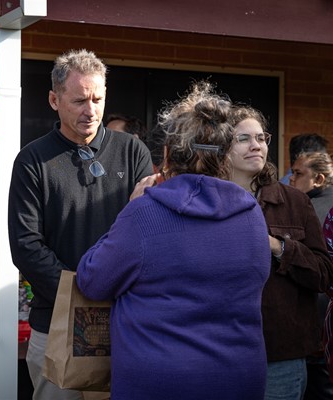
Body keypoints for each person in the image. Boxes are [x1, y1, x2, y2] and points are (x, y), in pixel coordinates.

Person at [76, 82, 271, 400]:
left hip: (160, 384)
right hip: (239, 379)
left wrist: (129, 208)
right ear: (224, 155)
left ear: (167, 153)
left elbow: (93, 280)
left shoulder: (144, 213)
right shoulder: (251, 214)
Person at [8, 49, 154, 400]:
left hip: (125, 321)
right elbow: (26, 245)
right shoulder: (32, 160)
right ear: (53, 100)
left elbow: (149, 229)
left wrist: (108, 284)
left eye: (97, 99)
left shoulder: (133, 152)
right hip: (57, 324)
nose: (91, 110)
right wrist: (81, 291)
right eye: (79, 101)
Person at [227, 105, 333, 400]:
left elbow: (323, 274)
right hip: (220, 351)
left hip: (280, 354)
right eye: (244, 138)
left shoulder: (295, 201)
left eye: (261, 137)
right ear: (223, 147)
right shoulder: (206, 200)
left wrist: (278, 246)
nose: (256, 145)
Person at [288, 151, 333, 399]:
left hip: (318, 324)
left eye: (298, 174)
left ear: (318, 180)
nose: (291, 179)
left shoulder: (310, 210)